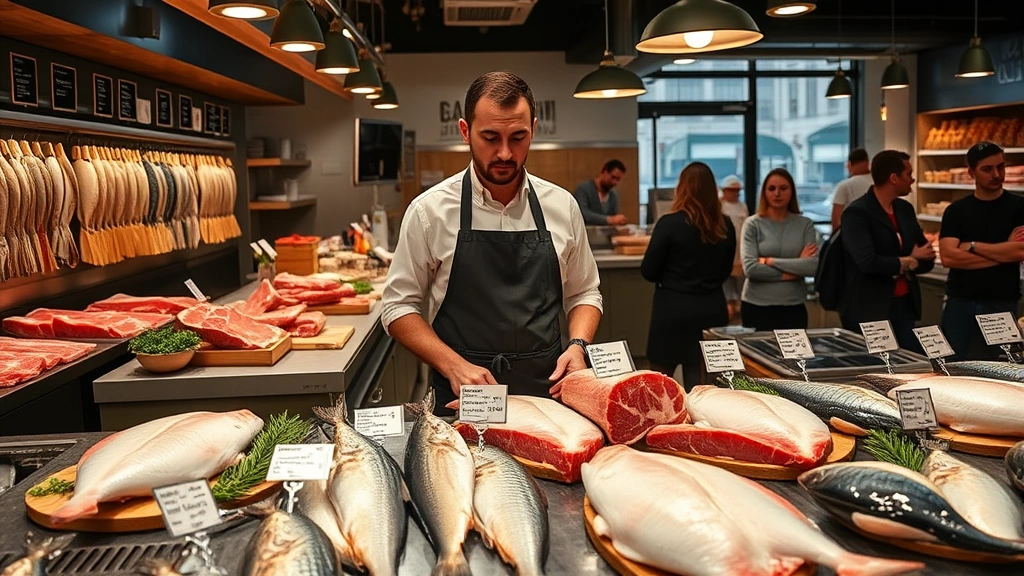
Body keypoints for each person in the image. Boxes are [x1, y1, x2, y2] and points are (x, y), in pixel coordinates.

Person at [380, 71, 603, 415]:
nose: (504, 153)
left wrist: (578, 346)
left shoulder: (561, 206)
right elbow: (398, 307)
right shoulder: (430, 211)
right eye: (490, 137)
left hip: (548, 395)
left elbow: (585, 293)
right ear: (465, 132)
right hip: (464, 397)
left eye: (518, 137)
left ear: (534, 130)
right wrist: (452, 365)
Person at [641, 162, 735, 391]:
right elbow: (725, 271)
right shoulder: (725, 225)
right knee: (704, 387)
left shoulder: (669, 224)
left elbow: (649, 271)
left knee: (660, 388)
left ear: (682, 188)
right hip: (711, 308)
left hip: (673, 310)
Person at [838, 150, 936, 353]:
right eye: (908, 174)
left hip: (905, 304)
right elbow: (868, 262)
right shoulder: (857, 213)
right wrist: (911, 259)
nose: (913, 179)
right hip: (870, 308)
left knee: (910, 364)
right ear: (894, 178)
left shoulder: (904, 209)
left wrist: (908, 261)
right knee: (874, 369)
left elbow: (927, 257)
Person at [938, 141, 1024, 361]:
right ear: (971, 172)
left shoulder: (1020, 207)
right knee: (952, 368)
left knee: (1004, 369)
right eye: (987, 169)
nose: (996, 174)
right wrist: (1003, 252)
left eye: (1001, 167)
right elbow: (948, 256)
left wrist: (973, 246)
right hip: (960, 302)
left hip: (1002, 302)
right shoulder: (956, 211)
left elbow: (1020, 252)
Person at [740, 168, 819, 331]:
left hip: (793, 306)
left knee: (795, 357)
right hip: (756, 306)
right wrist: (793, 271)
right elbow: (751, 269)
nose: (777, 193)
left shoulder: (805, 224)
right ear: (764, 193)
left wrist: (770, 261)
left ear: (791, 192)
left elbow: (812, 266)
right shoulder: (752, 224)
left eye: (783, 188)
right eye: (771, 189)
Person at [719, 174, 748, 323]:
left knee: (740, 278)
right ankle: (729, 304)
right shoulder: (720, 206)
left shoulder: (742, 206)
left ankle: (739, 305)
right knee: (726, 278)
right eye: (732, 190)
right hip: (725, 249)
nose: (735, 193)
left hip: (741, 249)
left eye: (737, 190)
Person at [574, 159, 628, 226]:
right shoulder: (583, 189)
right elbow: (582, 214)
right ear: (604, 172)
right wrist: (609, 220)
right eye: (613, 177)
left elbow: (614, 217)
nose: (615, 182)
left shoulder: (613, 195)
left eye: (618, 180)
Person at [831, 148, 873, 230]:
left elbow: (836, 220)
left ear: (849, 165)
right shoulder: (880, 182)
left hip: (853, 234)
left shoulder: (845, 186)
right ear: (868, 163)